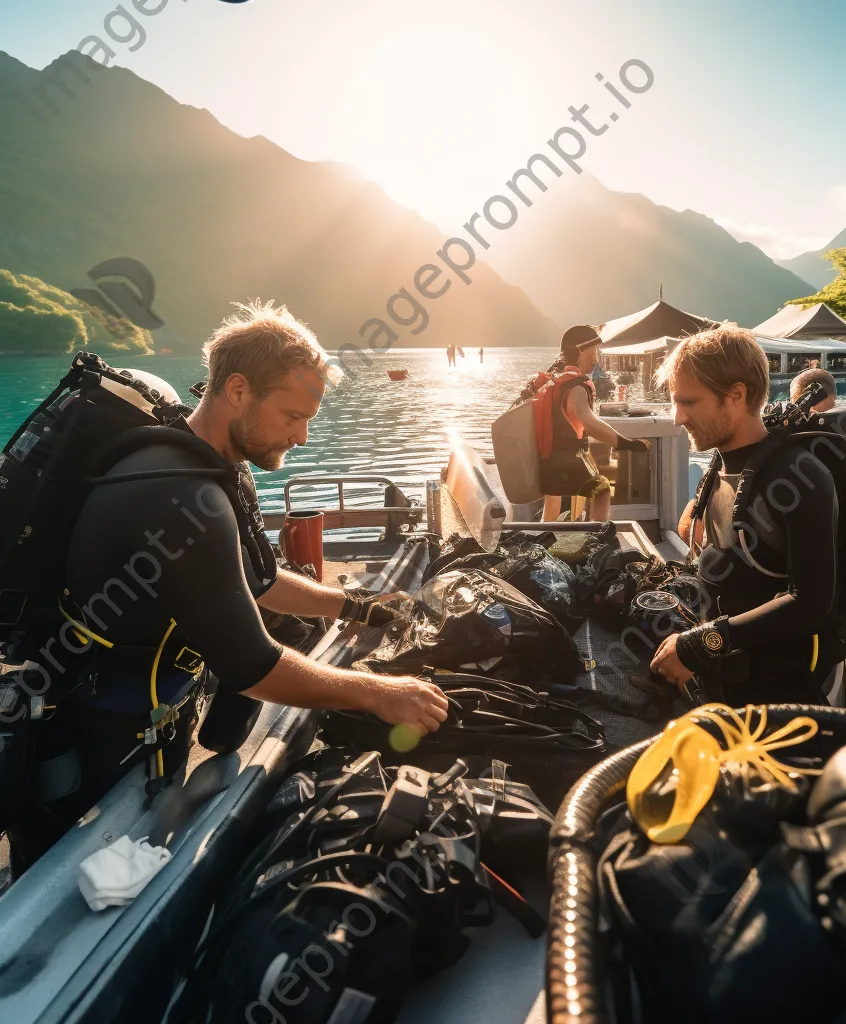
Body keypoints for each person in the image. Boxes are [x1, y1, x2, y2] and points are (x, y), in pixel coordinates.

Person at [5, 301, 447, 873]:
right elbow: (252, 667)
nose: (304, 436)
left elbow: (257, 580)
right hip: (89, 734)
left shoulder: (211, 466)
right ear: (237, 390)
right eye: (292, 415)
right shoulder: (185, 495)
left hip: (141, 712)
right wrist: (377, 693)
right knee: (63, 887)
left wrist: (358, 606)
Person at [650, 323, 846, 708]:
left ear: (736, 395)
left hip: (774, 699)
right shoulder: (722, 465)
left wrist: (697, 646)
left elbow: (812, 602)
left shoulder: (798, 476)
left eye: (688, 402)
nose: (676, 417)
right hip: (723, 673)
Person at [540, 325, 649, 522]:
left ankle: (547, 531)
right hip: (566, 460)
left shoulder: (558, 381)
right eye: (590, 355)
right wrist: (625, 443)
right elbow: (590, 423)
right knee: (602, 490)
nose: (594, 359)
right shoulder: (577, 389)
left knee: (553, 495)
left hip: (551, 458)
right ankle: (597, 535)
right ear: (577, 354)